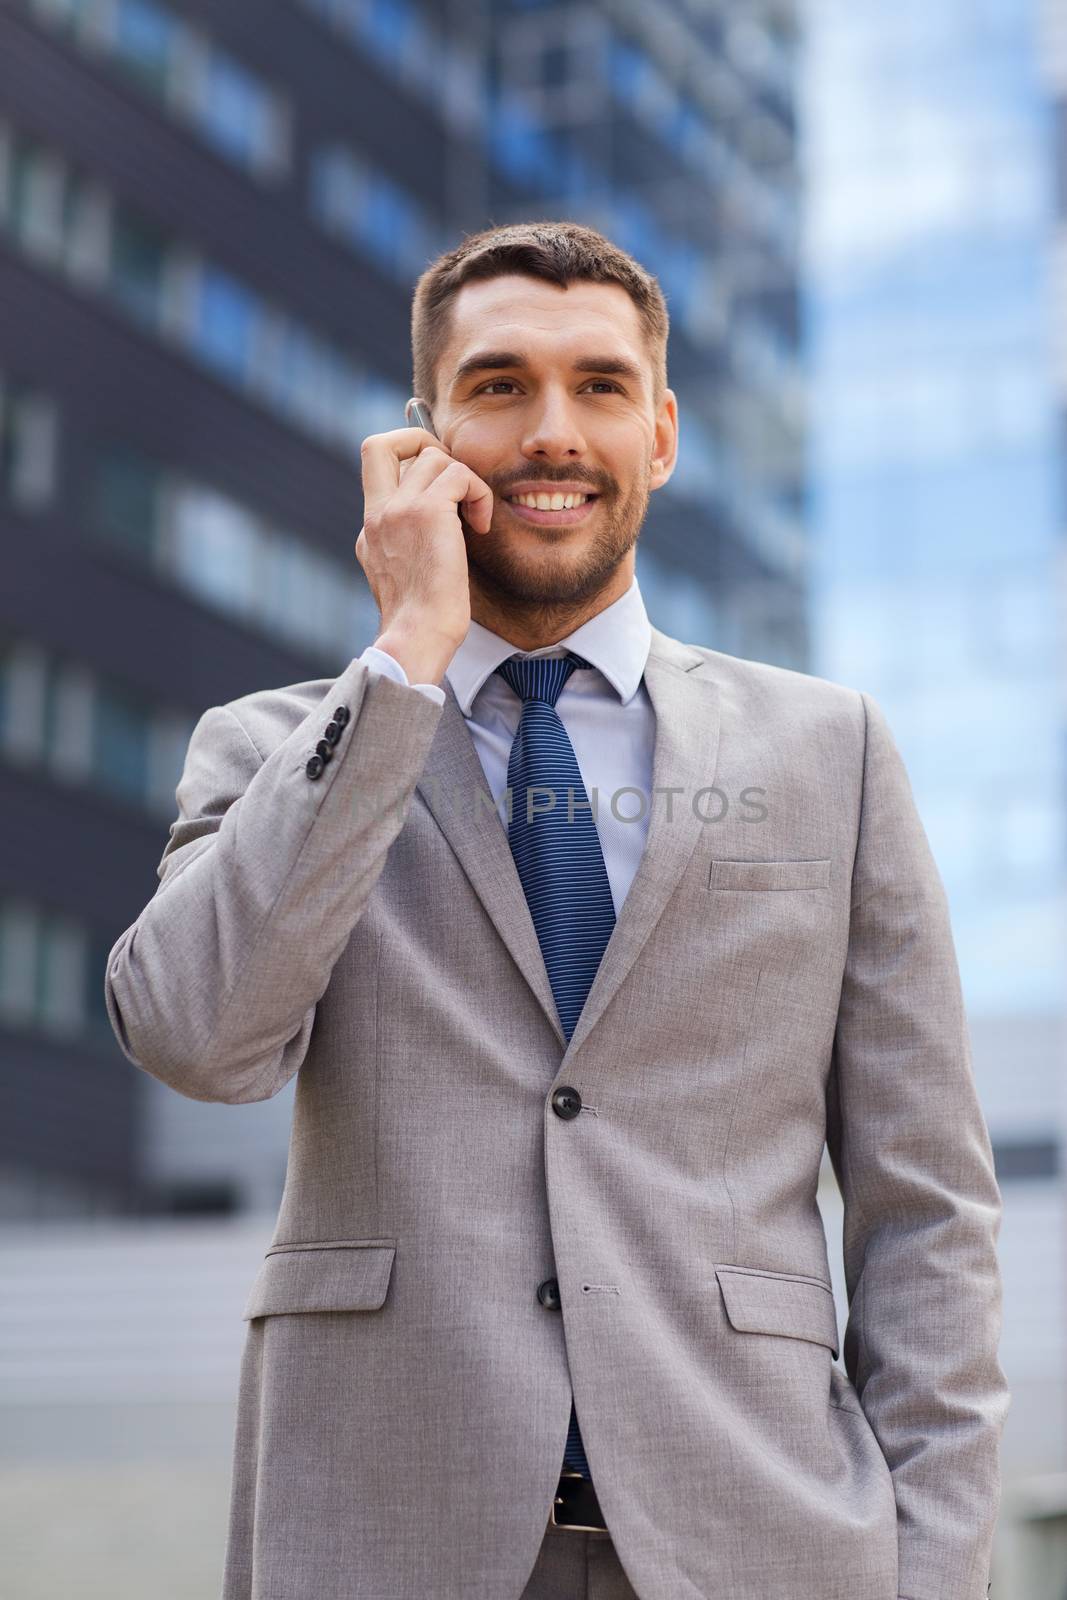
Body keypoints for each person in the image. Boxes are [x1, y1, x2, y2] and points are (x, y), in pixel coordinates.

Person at [104, 219, 1009, 1600]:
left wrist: (935, 1571)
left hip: (763, 1537)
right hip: (383, 1535)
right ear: (423, 438)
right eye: (498, 385)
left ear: (661, 433)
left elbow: (928, 1208)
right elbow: (193, 1036)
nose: (550, 432)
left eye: (598, 387)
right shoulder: (275, 747)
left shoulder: (834, 753)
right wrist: (406, 656)